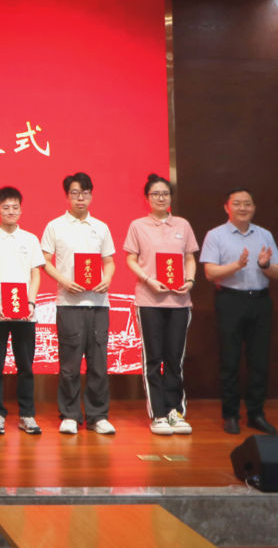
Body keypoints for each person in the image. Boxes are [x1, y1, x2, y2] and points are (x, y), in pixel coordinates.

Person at [200, 188, 278, 436]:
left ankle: (256, 414)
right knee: (230, 360)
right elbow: (210, 273)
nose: (243, 208)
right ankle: (231, 415)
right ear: (227, 207)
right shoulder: (215, 235)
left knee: (259, 360)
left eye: (247, 203)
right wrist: (236, 265)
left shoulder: (265, 235)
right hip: (230, 301)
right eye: (237, 203)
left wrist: (264, 265)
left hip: (260, 301)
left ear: (254, 208)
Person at [41, 172, 117, 435]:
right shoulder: (55, 226)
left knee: (98, 362)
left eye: (85, 193)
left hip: (98, 303)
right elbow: (44, 261)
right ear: (67, 196)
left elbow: (109, 261)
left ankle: (97, 416)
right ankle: (70, 415)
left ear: (91, 196)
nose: (80, 198)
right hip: (69, 303)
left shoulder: (101, 227)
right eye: (75, 193)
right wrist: (64, 281)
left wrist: (107, 279)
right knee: (70, 363)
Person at [123, 174, 198, 436]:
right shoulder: (138, 225)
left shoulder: (182, 225)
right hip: (149, 300)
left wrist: (190, 281)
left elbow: (189, 258)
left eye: (165, 193)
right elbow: (130, 259)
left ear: (170, 197)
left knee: (174, 359)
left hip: (179, 302)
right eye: (155, 194)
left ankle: (175, 411)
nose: (161, 198)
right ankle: (158, 414)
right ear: (147, 198)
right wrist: (148, 280)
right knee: (153, 359)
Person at [0, 187, 44, 436]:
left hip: (25, 314)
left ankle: (27, 414)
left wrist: (31, 303)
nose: (11, 211)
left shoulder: (30, 239)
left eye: (15, 207)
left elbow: (36, 273)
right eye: (5, 207)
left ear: (21, 210)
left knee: (25, 365)